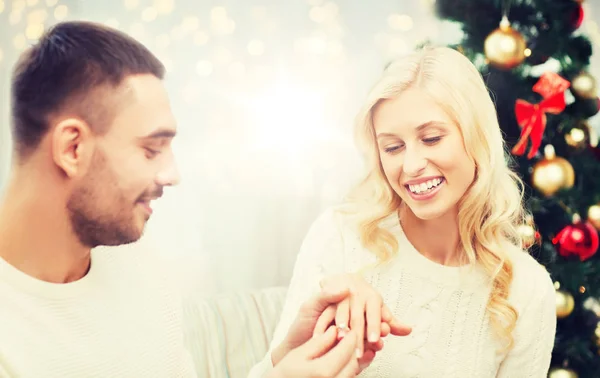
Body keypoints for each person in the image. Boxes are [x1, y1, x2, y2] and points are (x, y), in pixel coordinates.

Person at [0, 21, 367, 378]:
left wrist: (281, 361)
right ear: (73, 148)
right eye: (151, 149)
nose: (172, 175)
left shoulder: (136, 260)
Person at [250, 46, 557, 378]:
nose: (410, 166)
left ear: (477, 138)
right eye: (393, 147)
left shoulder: (527, 289)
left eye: (431, 138)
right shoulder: (340, 235)